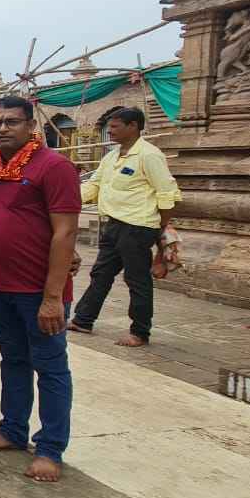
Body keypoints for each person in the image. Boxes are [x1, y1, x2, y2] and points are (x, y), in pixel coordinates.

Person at [0, 95, 79, 483]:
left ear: (31, 126)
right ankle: (12, 430)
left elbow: (65, 231)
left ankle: (50, 448)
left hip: (38, 290)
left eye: (11, 121)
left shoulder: (55, 166)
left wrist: (53, 297)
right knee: (13, 360)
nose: (2, 128)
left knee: (50, 368)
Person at [68, 106, 180, 347]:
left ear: (133, 126)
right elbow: (93, 185)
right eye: (109, 126)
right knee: (101, 273)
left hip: (138, 226)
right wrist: (65, 199)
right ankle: (83, 319)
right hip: (114, 224)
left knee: (136, 279)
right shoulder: (111, 157)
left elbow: (167, 193)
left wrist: (161, 227)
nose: (110, 131)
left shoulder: (149, 155)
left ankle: (140, 331)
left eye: (115, 126)